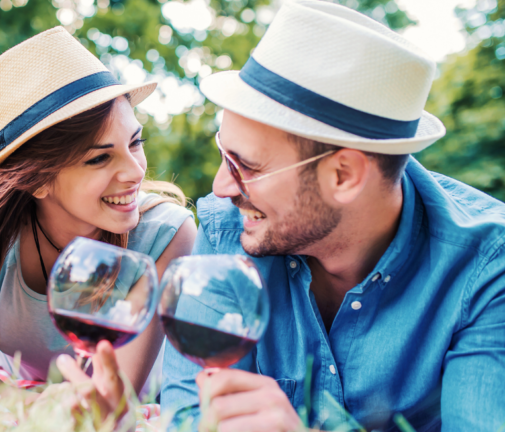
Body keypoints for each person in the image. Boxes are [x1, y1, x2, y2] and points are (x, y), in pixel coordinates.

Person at [160, 2, 505, 431]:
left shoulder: (487, 268)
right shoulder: (226, 228)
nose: (220, 188)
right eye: (223, 154)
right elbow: (190, 416)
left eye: (245, 166)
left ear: (343, 175)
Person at [0, 27, 196, 405]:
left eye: (135, 142)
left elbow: (110, 405)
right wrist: (37, 409)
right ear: (37, 180)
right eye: (100, 158)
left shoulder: (165, 236)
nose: (135, 172)